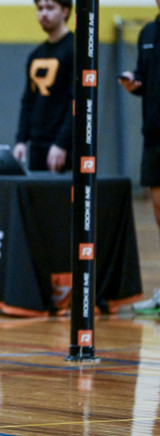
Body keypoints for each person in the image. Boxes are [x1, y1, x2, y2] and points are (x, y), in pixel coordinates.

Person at [119, 1, 160, 313]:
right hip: (153, 135)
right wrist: (134, 83)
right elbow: (145, 78)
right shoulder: (148, 32)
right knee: (158, 213)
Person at [13, 0, 74, 172]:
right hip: (38, 145)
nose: (44, 14)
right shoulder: (35, 55)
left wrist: (62, 143)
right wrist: (21, 141)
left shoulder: (75, 49)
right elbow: (28, 101)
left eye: (50, 8)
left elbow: (77, 102)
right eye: (40, 9)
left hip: (64, 146)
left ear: (65, 11)